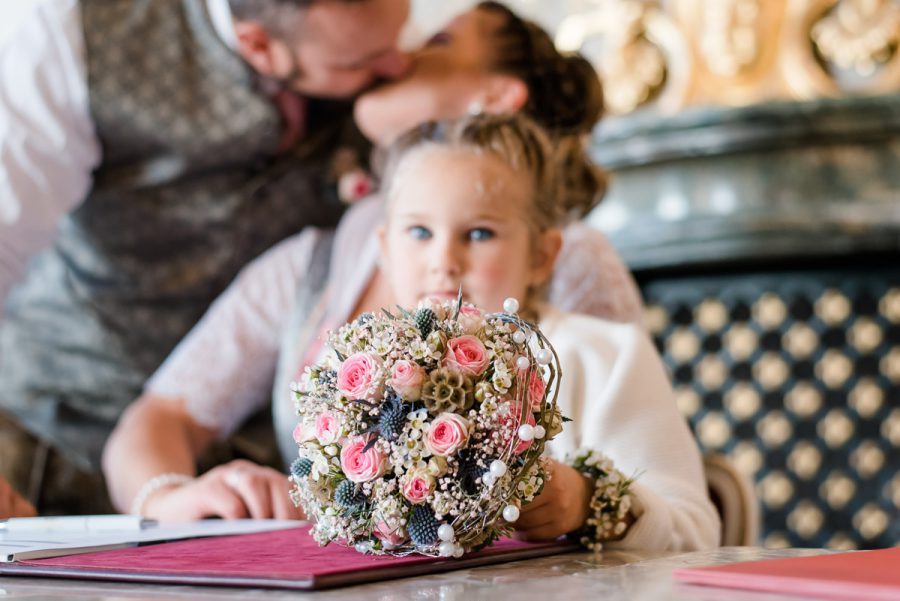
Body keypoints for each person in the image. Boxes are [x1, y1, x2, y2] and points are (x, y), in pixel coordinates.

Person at [103, 3, 645, 522]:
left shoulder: (569, 258)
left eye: (437, 41)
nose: (396, 58)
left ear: (495, 95)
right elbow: (157, 418)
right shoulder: (316, 261)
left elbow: (641, 473)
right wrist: (168, 497)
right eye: (416, 232)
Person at [0, 0, 410, 515]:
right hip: (54, 425)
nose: (396, 65)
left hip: (239, 470)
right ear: (259, 45)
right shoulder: (70, 35)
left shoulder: (367, 46)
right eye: (359, 64)